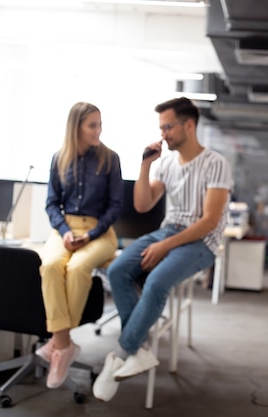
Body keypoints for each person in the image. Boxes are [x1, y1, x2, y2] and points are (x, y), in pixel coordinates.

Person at [92, 97, 233, 402]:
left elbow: (209, 221)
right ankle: (139, 349)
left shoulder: (215, 163)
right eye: (161, 127)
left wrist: (165, 246)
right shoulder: (167, 163)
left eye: (168, 127)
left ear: (189, 125)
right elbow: (143, 204)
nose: (164, 134)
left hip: (201, 242)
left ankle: (119, 354)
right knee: (117, 270)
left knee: (156, 281)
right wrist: (146, 165)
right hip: (168, 231)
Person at [37, 102, 123, 389]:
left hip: (100, 232)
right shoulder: (59, 158)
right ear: (76, 128)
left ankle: (58, 343)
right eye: (92, 125)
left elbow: (115, 207)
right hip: (66, 229)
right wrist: (63, 231)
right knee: (49, 265)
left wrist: (91, 234)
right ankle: (65, 344)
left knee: (78, 267)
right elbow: (51, 203)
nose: (99, 130)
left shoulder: (110, 159)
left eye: (99, 124)